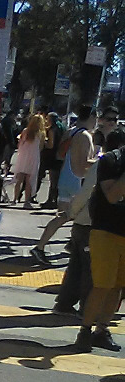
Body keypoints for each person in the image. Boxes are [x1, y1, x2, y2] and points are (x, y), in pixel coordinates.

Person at [74, 137, 125, 352]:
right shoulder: (111, 160)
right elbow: (112, 196)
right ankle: (85, 331)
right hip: (106, 232)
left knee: (118, 286)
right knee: (102, 285)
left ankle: (102, 331)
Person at [30, 105, 97, 266]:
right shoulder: (85, 136)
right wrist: (101, 160)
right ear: (92, 117)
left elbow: (60, 155)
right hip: (77, 180)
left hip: (65, 176)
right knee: (81, 217)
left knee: (63, 216)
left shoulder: (70, 131)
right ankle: (49, 247)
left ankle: (47, 246)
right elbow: (85, 163)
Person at [12, 113, 46, 208]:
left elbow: (19, 143)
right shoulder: (41, 133)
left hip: (23, 155)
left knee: (19, 179)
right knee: (30, 180)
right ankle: (27, 201)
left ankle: (15, 199)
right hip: (34, 156)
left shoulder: (25, 131)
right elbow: (41, 147)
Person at [38, 112, 65, 209]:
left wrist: (43, 142)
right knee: (57, 180)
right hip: (61, 156)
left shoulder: (53, 129)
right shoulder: (62, 127)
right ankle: (55, 200)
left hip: (53, 156)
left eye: (47, 119)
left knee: (53, 180)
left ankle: (51, 201)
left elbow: (51, 145)